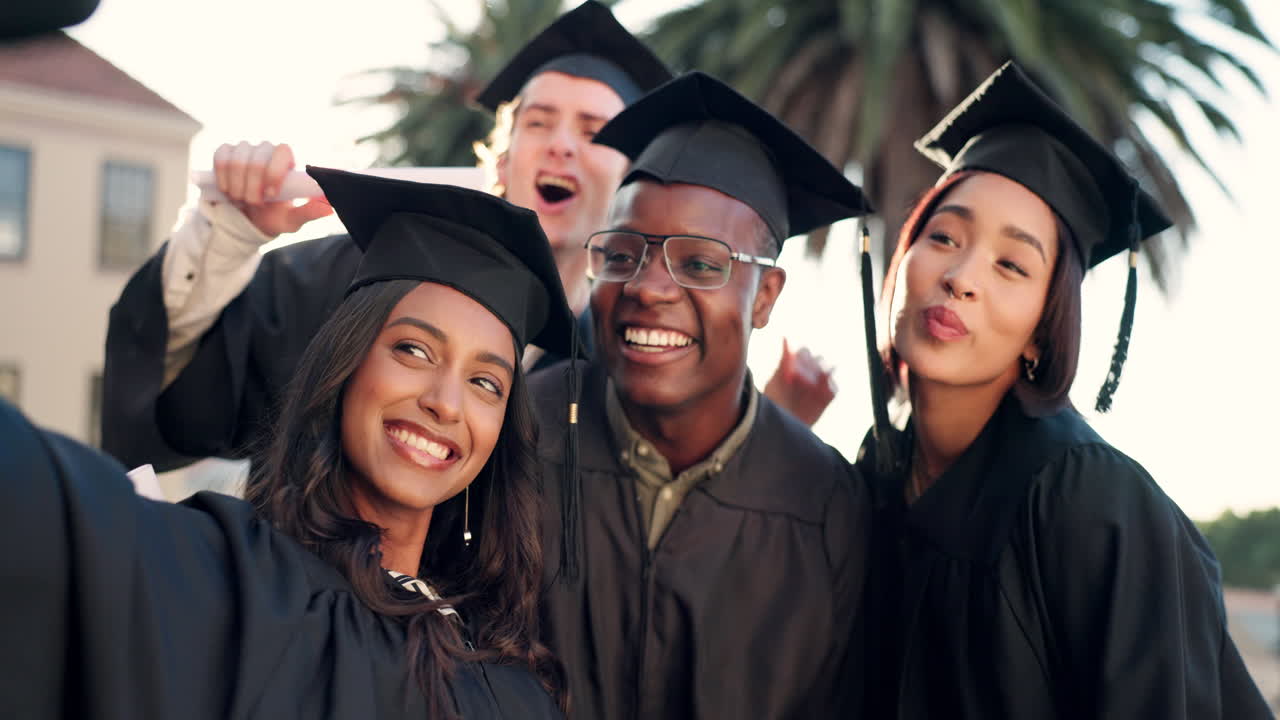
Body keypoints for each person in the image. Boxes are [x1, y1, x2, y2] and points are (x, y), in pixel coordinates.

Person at [101, 1, 833, 475]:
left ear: (634, 179)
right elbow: (175, 392)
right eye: (537, 122)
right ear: (502, 156)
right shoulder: (364, 276)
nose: (560, 148)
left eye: (594, 130)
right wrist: (226, 236)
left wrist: (776, 430)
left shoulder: (632, 363)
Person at [0, 167, 581, 719]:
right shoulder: (216, 577)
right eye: (412, 349)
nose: (445, 403)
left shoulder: (512, 688)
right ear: (345, 364)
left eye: (485, 383)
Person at [854, 61, 1272, 719]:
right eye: (943, 237)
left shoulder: (1092, 500)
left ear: (1041, 333)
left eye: (1012, 265)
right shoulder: (881, 472)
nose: (962, 276)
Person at [529, 71, 873, 720]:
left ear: (765, 296)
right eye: (623, 253)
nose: (648, 287)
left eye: (700, 264)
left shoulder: (826, 504)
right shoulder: (519, 434)